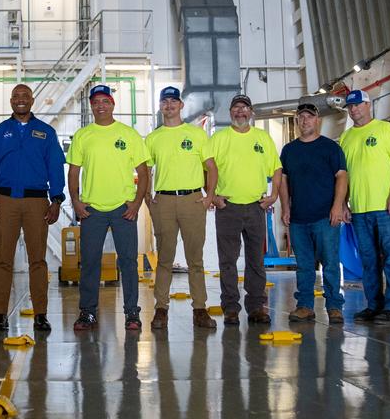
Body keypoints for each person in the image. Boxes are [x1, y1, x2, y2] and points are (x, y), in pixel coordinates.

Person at [0, 84, 65, 332]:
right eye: (16, 96)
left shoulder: (46, 133)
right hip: (5, 202)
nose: (20, 100)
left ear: (32, 100)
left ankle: (40, 314)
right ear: (10, 101)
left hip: (37, 202)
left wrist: (57, 199)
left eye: (25, 96)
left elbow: (56, 168)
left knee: (38, 260)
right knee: (3, 260)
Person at [67, 84, 150, 332]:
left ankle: (132, 314)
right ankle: (88, 313)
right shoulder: (83, 135)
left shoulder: (129, 134)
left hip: (123, 209)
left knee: (127, 262)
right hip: (92, 210)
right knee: (90, 262)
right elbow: (74, 171)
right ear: (91, 106)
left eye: (105, 101)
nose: (100, 105)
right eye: (96, 102)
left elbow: (144, 172)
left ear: (113, 104)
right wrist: (76, 201)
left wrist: (136, 203)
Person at [206, 92, 283, 325]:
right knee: (227, 260)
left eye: (244, 108)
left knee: (255, 260)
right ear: (230, 112)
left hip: (255, 207)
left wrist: (274, 196)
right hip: (227, 207)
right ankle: (230, 307)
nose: (240, 112)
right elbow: (206, 169)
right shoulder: (219, 139)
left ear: (251, 112)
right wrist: (213, 196)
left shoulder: (263, 138)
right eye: (236, 108)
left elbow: (277, 169)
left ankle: (256, 306)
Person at [144, 86, 215, 330]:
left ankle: (200, 309)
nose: (170, 105)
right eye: (165, 101)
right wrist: (147, 198)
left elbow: (211, 168)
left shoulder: (196, 134)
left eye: (174, 101)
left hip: (192, 201)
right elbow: (146, 171)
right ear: (161, 106)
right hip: (163, 201)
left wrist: (209, 197)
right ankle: (161, 309)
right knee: (165, 258)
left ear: (181, 105)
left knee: (195, 259)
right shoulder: (153, 138)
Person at [338, 90, 390, 324]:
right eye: (350, 106)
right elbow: (344, 175)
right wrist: (345, 203)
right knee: (368, 260)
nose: (354, 109)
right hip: (359, 210)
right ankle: (374, 306)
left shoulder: (385, 129)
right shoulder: (346, 138)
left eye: (358, 104)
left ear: (368, 105)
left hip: (385, 208)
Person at [278, 102, 349, 324]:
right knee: (304, 265)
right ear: (297, 121)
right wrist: (286, 208)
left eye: (309, 117)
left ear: (317, 120)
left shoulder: (330, 148)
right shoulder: (289, 150)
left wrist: (338, 206)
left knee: (330, 263)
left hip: (325, 217)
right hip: (299, 218)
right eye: (301, 117)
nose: (305, 120)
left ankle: (335, 307)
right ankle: (305, 306)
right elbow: (283, 181)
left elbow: (342, 177)